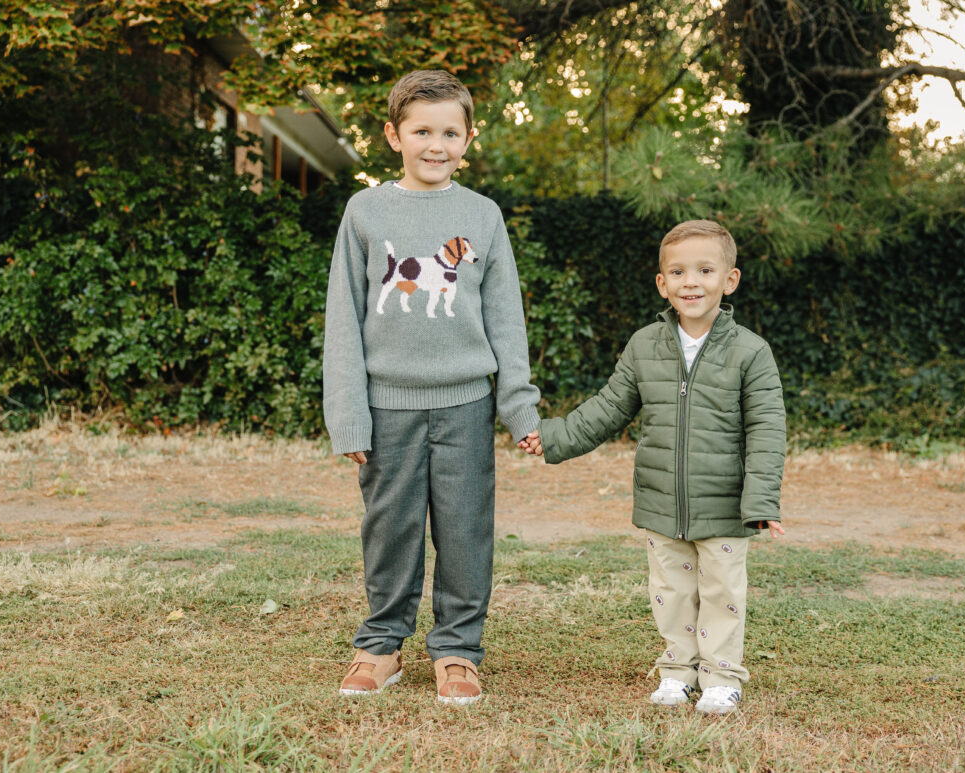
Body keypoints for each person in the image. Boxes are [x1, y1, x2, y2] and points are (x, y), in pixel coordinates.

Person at [323, 70, 540, 705]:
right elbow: (343, 320)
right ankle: (382, 645)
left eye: (450, 132)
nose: (435, 144)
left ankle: (457, 651)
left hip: (466, 405)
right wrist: (349, 415)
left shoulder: (482, 215)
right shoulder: (366, 212)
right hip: (386, 406)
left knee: (466, 528)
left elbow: (506, 318)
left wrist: (518, 406)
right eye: (422, 131)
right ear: (394, 135)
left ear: (468, 138)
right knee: (389, 528)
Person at [522, 219, 786, 714]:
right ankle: (677, 672)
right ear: (662, 283)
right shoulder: (645, 345)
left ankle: (722, 676)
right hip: (661, 500)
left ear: (729, 280)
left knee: (722, 591)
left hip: (725, 503)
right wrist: (554, 436)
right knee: (671, 591)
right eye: (679, 272)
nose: (692, 282)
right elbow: (608, 408)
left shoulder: (751, 351)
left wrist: (761, 501)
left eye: (705, 270)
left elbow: (768, 431)